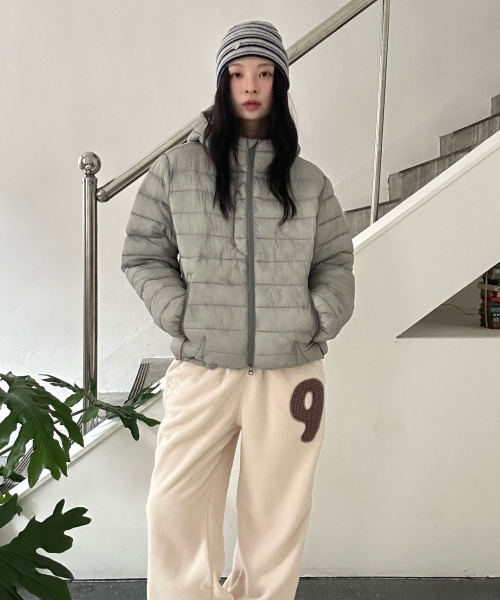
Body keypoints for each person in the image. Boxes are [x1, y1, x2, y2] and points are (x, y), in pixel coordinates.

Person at [121, 19, 355, 600]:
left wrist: (316, 317)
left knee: (277, 515)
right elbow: (143, 253)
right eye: (238, 73)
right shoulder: (178, 169)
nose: (251, 85)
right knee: (173, 507)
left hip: (291, 374)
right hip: (204, 367)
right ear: (222, 83)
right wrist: (181, 314)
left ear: (279, 83)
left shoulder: (308, 181)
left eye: (264, 73)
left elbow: (335, 262)